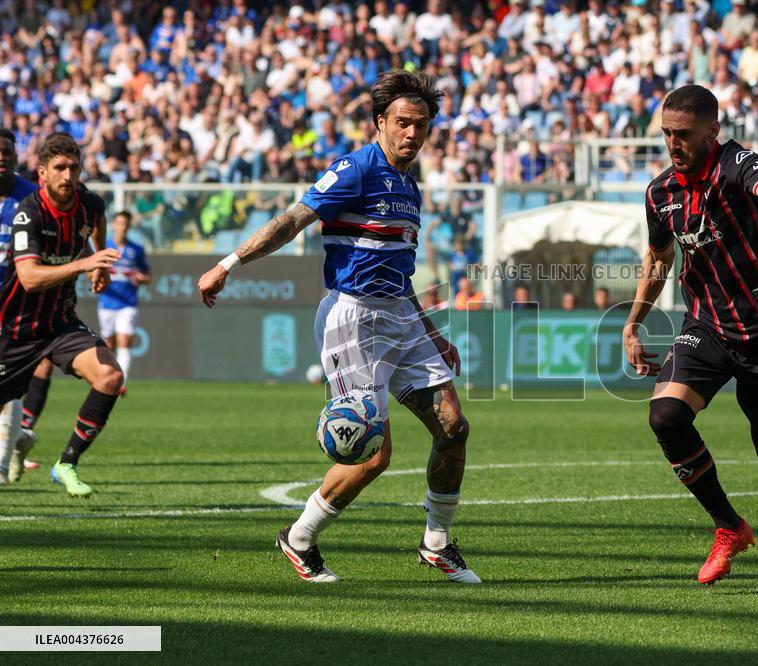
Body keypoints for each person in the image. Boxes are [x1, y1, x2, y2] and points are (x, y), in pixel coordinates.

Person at [198, 70, 479, 584]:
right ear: (380, 123)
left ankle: (436, 543)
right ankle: (299, 537)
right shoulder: (355, 169)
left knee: (454, 427)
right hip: (353, 320)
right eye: (402, 123)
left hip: (400, 314)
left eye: (421, 125)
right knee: (374, 457)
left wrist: (432, 332)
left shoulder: (408, 186)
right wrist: (228, 263)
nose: (412, 134)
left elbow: (400, 268)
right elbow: (291, 220)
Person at [623, 85, 758, 585]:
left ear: (713, 130)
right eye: (666, 134)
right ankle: (729, 527)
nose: (673, 143)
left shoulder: (737, 166)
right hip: (706, 325)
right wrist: (634, 321)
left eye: (683, 134)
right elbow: (660, 258)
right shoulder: (660, 193)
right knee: (665, 416)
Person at [0, 132, 123, 497]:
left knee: (110, 376)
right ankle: (22, 438)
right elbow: (30, 277)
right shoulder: (29, 213)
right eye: (60, 168)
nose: (68, 175)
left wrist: (101, 265)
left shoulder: (89, 204)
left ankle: (66, 462)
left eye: (74, 167)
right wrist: (87, 262)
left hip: (59, 323)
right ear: (42, 173)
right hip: (15, 328)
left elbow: (98, 222)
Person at [0, 128, 38, 485]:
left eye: (6, 152)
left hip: (16, 304)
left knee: (6, 379)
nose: (1, 157)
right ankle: (19, 439)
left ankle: (0, 460)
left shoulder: (31, 197)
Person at [97, 211, 152, 394]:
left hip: (128, 303)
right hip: (107, 302)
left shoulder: (136, 249)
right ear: (113, 224)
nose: (122, 227)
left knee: (125, 340)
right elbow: (93, 271)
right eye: (119, 223)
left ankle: (121, 383)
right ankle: (109, 378)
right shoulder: (103, 246)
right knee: (109, 344)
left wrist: (140, 277)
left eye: (125, 224)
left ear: (129, 226)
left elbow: (148, 276)